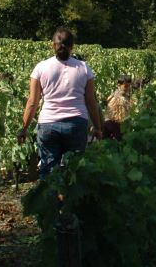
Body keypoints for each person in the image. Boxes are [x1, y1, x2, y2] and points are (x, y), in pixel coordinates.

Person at [19, 28, 104, 179]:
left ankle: (50, 201)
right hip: (76, 125)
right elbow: (91, 102)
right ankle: (69, 201)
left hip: (48, 125)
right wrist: (97, 128)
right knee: (74, 172)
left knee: (48, 173)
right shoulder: (84, 68)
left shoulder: (41, 68)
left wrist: (24, 129)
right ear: (72, 47)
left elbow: (32, 102)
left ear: (53, 45)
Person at [102, 75, 132, 141]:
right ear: (119, 85)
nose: (128, 88)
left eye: (129, 86)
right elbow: (115, 117)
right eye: (126, 86)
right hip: (114, 127)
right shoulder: (116, 98)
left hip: (120, 127)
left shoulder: (126, 97)